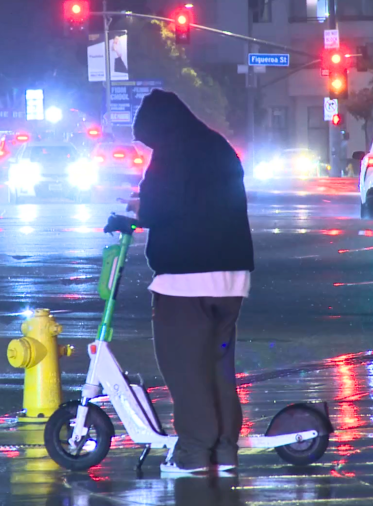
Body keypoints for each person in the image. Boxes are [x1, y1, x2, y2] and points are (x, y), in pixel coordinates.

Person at [126, 89, 255, 475]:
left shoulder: (172, 152)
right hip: (231, 279)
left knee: (185, 368)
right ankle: (224, 449)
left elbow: (158, 205)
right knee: (217, 365)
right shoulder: (217, 145)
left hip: (186, 280)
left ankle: (195, 451)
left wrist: (137, 207)